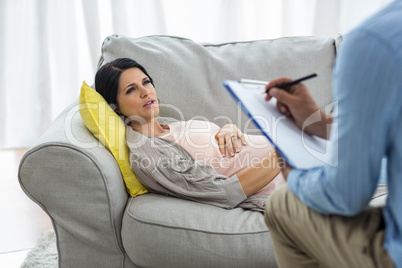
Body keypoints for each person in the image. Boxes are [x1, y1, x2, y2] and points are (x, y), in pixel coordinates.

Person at [263, 1, 401, 267]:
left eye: (154, 82)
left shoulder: (375, 41)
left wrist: (295, 177)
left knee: (281, 204)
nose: (153, 91)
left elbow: (347, 194)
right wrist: (320, 123)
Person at [94, 58, 285, 212]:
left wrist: (228, 128)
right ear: (115, 107)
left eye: (146, 82)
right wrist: (284, 153)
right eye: (131, 90)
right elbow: (224, 193)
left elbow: (213, 147)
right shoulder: (151, 158)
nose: (146, 92)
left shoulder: (167, 124)